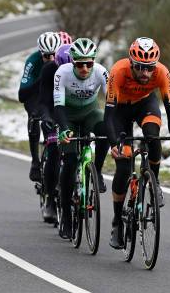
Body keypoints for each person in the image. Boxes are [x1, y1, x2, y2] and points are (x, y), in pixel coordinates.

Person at [105, 37, 170, 249]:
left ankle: (154, 183)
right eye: (140, 68)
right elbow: (108, 116)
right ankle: (116, 223)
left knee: (153, 136)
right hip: (120, 112)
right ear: (131, 63)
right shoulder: (118, 71)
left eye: (149, 68)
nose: (145, 74)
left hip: (144, 105)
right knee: (123, 165)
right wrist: (114, 143)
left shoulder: (162, 72)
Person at [54, 38, 110, 239]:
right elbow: (58, 106)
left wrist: (115, 129)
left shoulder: (102, 72)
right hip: (67, 116)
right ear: (72, 62)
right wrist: (63, 129)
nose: (85, 68)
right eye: (80, 64)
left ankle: (98, 171)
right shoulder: (62, 73)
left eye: (89, 63)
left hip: (89, 113)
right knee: (69, 162)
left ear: (94, 61)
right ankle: (67, 220)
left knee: (105, 128)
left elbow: (112, 103)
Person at [36, 42, 72, 222]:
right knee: (54, 150)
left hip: (71, 114)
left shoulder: (80, 71)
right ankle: (50, 199)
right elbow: (43, 100)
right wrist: (46, 118)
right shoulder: (49, 70)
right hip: (52, 113)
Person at [18, 32, 61, 182]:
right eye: (47, 56)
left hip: (55, 93)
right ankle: (35, 162)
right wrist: (42, 77)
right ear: (40, 53)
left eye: (54, 55)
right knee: (35, 117)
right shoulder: (33, 61)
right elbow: (22, 95)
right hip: (35, 95)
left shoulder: (64, 59)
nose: (51, 59)